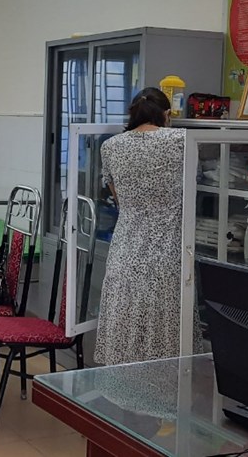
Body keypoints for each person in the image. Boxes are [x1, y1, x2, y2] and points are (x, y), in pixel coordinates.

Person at [94, 87, 187, 365]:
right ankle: (162, 388)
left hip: (125, 251)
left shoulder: (111, 146)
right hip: (166, 253)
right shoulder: (181, 140)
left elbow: (119, 199)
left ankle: (123, 388)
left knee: (125, 329)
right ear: (166, 115)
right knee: (164, 331)